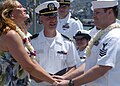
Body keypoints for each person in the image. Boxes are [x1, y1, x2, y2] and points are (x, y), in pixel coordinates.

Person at [55, 0, 120, 86]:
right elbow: (89, 64)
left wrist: (71, 83)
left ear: (110, 12)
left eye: (97, 13)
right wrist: (66, 77)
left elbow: (101, 68)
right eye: (93, 13)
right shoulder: (102, 35)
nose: (94, 16)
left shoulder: (113, 37)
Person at [0, 0, 58, 86]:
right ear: (11, 14)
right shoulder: (10, 35)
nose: (24, 9)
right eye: (19, 7)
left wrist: (51, 78)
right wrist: (55, 83)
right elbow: (29, 66)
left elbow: (31, 62)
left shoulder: (17, 34)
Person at [30, 0, 80, 86]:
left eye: (54, 17)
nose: (52, 20)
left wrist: (61, 79)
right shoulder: (32, 42)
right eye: (48, 17)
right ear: (41, 19)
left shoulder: (67, 43)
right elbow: (28, 67)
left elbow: (73, 67)